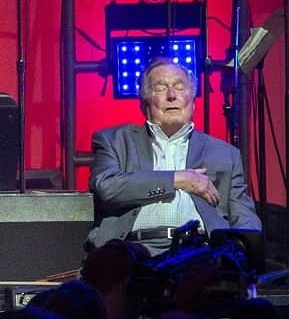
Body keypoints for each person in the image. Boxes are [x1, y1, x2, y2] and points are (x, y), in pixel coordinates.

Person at [86, 59, 261, 254]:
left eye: (179, 87)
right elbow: (106, 187)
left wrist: (242, 254)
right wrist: (178, 179)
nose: (171, 95)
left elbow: (244, 217)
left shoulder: (225, 154)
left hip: (200, 252)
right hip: (132, 250)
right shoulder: (115, 141)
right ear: (144, 104)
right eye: (160, 88)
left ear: (193, 102)